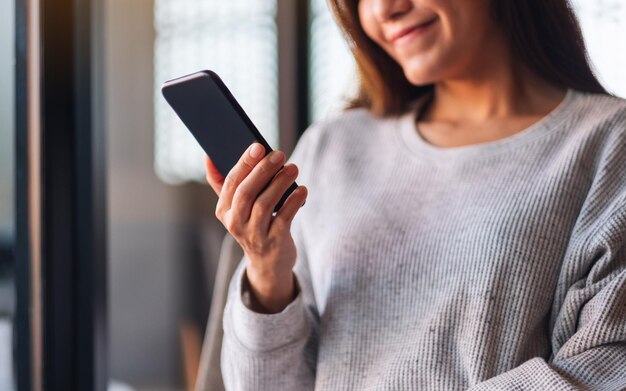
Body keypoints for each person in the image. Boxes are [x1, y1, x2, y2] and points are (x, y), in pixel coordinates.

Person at [204, 0, 626, 389]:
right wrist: (267, 274)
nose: (386, 9)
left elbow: (606, 366)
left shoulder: (607, 143)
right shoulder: (332, 148)